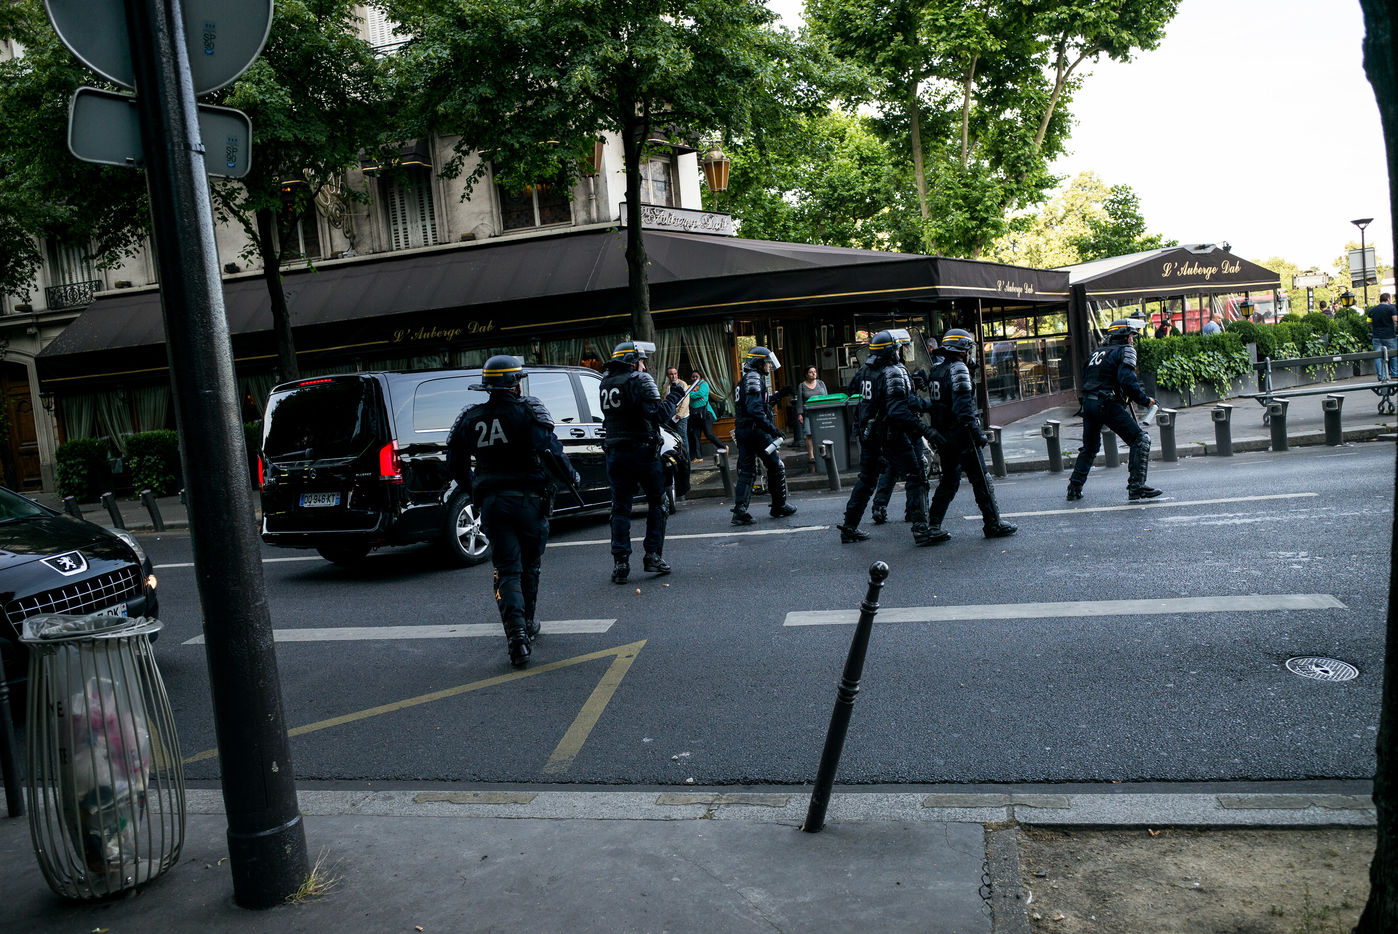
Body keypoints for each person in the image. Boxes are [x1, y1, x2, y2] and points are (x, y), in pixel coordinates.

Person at [446, 355, 579, 668]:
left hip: (493, 503)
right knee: (530, 566)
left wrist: (475, 488)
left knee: (507, 569)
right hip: (529, 501)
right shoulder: (528, 411)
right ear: (513, 384)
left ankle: (516, 634)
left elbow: (455, 463)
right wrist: (571, 476)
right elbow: (550, 450)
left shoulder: (471, 417)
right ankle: (527, 623)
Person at [836, 329, 939, 545]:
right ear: (892, 351)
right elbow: (898, 411)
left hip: (869, 434)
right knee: (915, 475)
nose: (901, 352)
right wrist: (925, 429)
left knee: (867, 479)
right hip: (890, 434)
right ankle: (921, 530)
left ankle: (849, 527)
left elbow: (855, 389)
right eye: (898, 349)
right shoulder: (893, 371)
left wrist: (911, 386)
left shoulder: (865, 370)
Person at [600, 340, 685, 584]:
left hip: (616, 453)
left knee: (620, 508)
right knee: (658, 502)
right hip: (642, 451)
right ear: (632, 362)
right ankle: (652, 556)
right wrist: (675, 395)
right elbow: (659, 415)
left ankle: (620, 564)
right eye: (641, 361)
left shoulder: (606, 383)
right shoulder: (640, 380)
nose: (644, 366)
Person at [924, 330, 1018, 542]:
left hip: (944, 435)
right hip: (962, 435)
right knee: (982, 480)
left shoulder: (937, 369)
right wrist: (978, 435)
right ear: (962, 349)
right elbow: (964, 410)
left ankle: (933, 525)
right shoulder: (958, 369)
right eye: (968, 349)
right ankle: (992, 523)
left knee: (949, 481)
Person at [1065, 318, 1162, 502]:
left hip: (1088, 403)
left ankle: (1074, 488)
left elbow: (1089, 378)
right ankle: (1136, 487)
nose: (1132, 340)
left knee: (1090, 447)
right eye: (1131, 336)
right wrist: (1144, 400)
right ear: (1123, 336)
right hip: (1106, 403)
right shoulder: (1125, 350)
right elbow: (1128, 381)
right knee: (1140, 440)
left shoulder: (1096, 353)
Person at [731, 345, 797, 525]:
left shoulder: (748, 378)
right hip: (756, 431)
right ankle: (779, 505)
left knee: (747, 470)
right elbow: (755, 410)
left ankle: (740, 511)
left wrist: (779, 395)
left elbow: (760, 405)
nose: (770, 366)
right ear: (759, 363)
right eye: (767, 363)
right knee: (775, 465)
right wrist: (772, 429)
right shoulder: (753, 378)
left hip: (745, 430)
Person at [794, 365, 828, 473]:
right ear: (806, 374)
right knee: (809, 434)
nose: (813, 374)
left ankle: (823, 452)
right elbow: (800, 401)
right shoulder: (802, 386)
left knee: (822, 432)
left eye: (815, 372)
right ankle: (811, 456)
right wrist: (800, 414)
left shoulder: (821, 383)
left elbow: (826, 397)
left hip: (821, 412)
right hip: (808, 414)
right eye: (810, 372)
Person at [686, 369, 727, 460]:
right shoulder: (691, 387)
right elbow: (691, 397)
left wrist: (690, 393)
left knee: (708, 434)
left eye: (696, 376)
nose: (694, 378)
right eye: (693, 377)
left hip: (706, 414)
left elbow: (700, 394)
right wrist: (693, 392)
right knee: (696, 436)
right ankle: (698, 457)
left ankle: (723, 447)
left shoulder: (704, 384)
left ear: (700, 377)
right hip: (695, 415)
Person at [1367, 292, 1398, 379]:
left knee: (1377, 356)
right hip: (1390, 336)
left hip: (1377, 336)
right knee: (1393, 354)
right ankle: (1395, 374)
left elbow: (1368, 322)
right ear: (1388, 299)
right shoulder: (1392, 308)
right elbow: (1395, 320)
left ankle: (1381, 375)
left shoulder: (1372, 310)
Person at [664, 366, 691, 461]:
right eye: (671, 374)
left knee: (682, 437)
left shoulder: (682, 384)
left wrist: (680, 413)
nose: (674, 376)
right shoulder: (666, 385)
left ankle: (686, 460)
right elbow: (664, 399)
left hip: (681, 416)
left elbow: (686, 400)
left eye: (675, 374)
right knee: (671, 438)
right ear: (668, 375)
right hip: (670, 415)